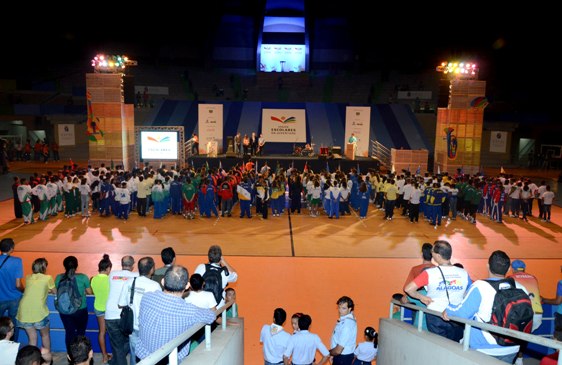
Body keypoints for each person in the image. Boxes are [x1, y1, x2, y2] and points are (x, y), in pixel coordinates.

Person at [442, 250, 526, 363]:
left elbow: (462, 313)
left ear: (488, 266)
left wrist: (448, 310)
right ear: (508, 269)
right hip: (512, 348)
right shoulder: (520, 287)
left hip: (484, 348)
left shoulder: (480, 286)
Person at [135, 265, 217, 363]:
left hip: (144, 359)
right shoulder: (189, 311)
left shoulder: (146, 298)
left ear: (163, 281)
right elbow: (211, 316)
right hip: (171, 360)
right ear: (187, 286)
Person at [404, 240, 471, 342]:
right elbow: (469, 293)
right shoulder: (464, 273)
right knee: (455, 346)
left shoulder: (429, 273)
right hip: (457, 317)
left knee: (438, 345)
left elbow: (408, 289)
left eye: (433, 252)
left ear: (438, 256)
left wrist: (422, 297)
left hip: (435, 316)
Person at [118, 257, 161, 365]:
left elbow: (121, 304)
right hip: (149, 328)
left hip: (132, 327)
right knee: (150, 356)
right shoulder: (154, 286)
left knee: (134, 356)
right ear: (152, 269)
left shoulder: (129, 282)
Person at [16, 258, 55, 365]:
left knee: (32, 339)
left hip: (24, 311)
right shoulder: (48, 278)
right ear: (44, 267)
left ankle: (31, 361)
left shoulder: (28, 277)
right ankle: (47, 361)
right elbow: (54, 291)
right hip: (39, 312)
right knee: (45, 336)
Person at [55, 256, 92, 354]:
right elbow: (90, 292)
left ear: (64, 266)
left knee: (69, 332)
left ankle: (70, 356)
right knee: (80, 333)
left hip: (64, 311)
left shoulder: (59, 277)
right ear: (77, 266)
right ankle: (80, 355)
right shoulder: (83, 277)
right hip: (80, 309)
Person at [509, 259, 543, 365]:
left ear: (512, 269)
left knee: (514, 337)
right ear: (524, 268)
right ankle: (519, 359)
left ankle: (514, 359)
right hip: (537, 314)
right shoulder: (533, 278)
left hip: (522, 314)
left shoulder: (511, 278)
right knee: (523, 337)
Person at [105, 256, 137, 365]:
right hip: (127, 317)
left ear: (121, 264)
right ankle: (117, 361)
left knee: (117, 345)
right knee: (127, 342)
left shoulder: (112, 274)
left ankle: (115, 361)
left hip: (110, 315)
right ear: (133, 265)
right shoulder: (136, 276)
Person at [0, 238, 24, 342]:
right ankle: (13, 343)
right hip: (14, 298)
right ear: (11, 249)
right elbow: (18, 284)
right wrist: (23, 290)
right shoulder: (17, 261)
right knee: (13, 323)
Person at [90, 254, 112, 365]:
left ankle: (104, 356)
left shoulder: (93, 279)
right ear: (108, 268)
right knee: (113, 332)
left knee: (102, 332)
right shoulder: (110, 280)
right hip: (109, 310)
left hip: (98, 308)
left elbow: (93, 292)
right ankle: (114, 355)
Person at [329, 296, 357, 365]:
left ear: (350, 309)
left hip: (343, 358)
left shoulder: (347, 324)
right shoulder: (345, 319)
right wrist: (333, 355)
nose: (340, 310)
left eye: (343, 308)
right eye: (339, 307)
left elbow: (338, 350)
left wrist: (329, 353)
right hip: (341, 356)